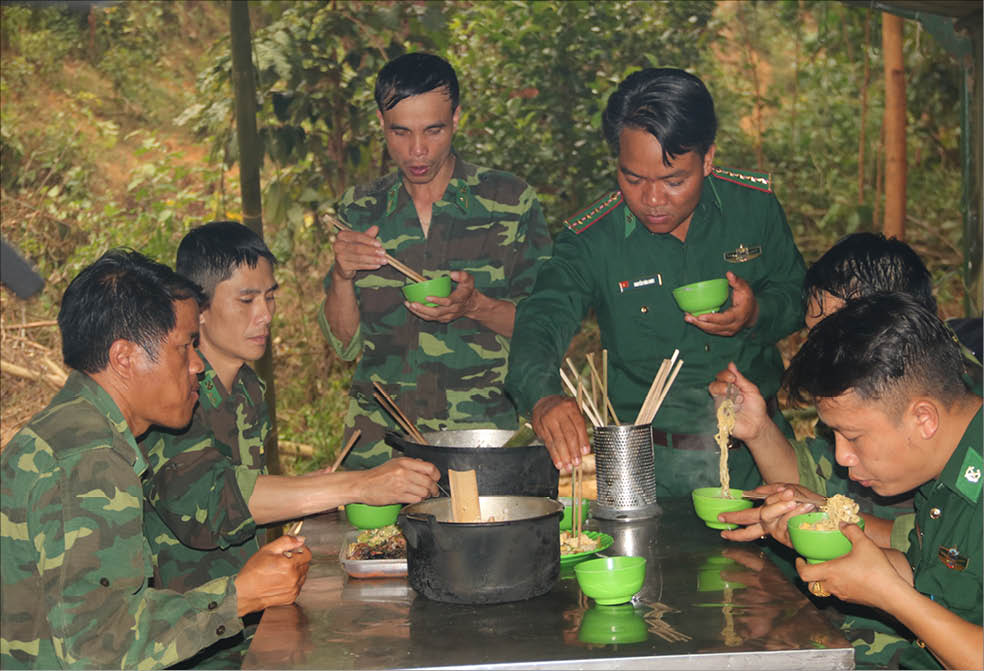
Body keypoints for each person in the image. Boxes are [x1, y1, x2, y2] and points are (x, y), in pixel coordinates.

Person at [141, 221, 440, 667]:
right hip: (185, 639)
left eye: (270, 297)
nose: (265, 314)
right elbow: (212, 505)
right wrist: (354, 485)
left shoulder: (246, 389)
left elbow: (250, 495)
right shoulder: (174, 396)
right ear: (197, 309)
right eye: (246, 300)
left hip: (249, 627)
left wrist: (302, 492)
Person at [0, 250, 310, 670]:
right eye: (185, 347)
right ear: (124, 358)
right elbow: (98, 650)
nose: (198, 365)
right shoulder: (90, 460)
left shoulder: (72, 428)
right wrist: (240, 594)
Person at [505, 67, 806, 495]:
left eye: (674, 181)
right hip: (649, 472)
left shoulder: (753, 208)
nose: (652, 200)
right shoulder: (592, 239)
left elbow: (798, 295)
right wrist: (543, 397)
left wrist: (758, 312)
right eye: (632, 178)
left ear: (707, 159)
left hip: (762, 459)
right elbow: (540, 319)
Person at [320, 52, 552, 468]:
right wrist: (341, 275)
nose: (418, 150)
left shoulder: (509, 202)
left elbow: (546, 328)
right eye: (401, 132)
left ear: (457, 118)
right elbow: (343, 344)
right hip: (380, 449)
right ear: (381, 123)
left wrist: (475, 306)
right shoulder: (360, 209)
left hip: (483, 441)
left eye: (434, 130)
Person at [754, 293, 982, 670]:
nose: (842, 457)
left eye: (853, 437)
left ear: (923, 418)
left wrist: (891, 597)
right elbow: (935, 579)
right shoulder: (941, 467)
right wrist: (828, 537)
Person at [713, 232, 946, 549]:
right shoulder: (856, 392)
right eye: (814, 335)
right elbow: (815, 477)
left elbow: (932, 550)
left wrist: (837, 520)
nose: (818, 351)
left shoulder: (947, 393)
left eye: (833, 334)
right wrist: (758, 430)